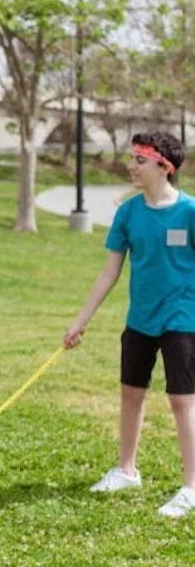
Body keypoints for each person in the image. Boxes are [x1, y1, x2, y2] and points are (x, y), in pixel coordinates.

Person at [65, 131, 195, 518]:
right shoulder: (128, 212)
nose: (131, 166)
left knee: (182, 400)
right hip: (140, 318)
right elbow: (109, 273)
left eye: (140, 160)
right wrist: (80, 322)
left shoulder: (189, 212)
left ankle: (191, 487)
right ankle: (126, 470)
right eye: (133, 159)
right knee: (130, 393)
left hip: (183, 318)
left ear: (164, 167)